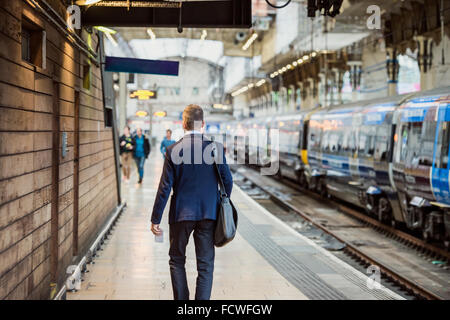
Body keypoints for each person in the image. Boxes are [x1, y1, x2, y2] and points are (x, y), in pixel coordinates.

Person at [150, 104, 233, 300]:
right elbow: (227, 181)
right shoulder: (215, 149)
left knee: (177, 260)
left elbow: (165, 188)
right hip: (208, 214)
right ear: (203, 124)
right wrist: (221, 202)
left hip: (181, 214)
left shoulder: (173, 150)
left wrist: (155, 218)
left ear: (183, 124)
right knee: (205, 265)